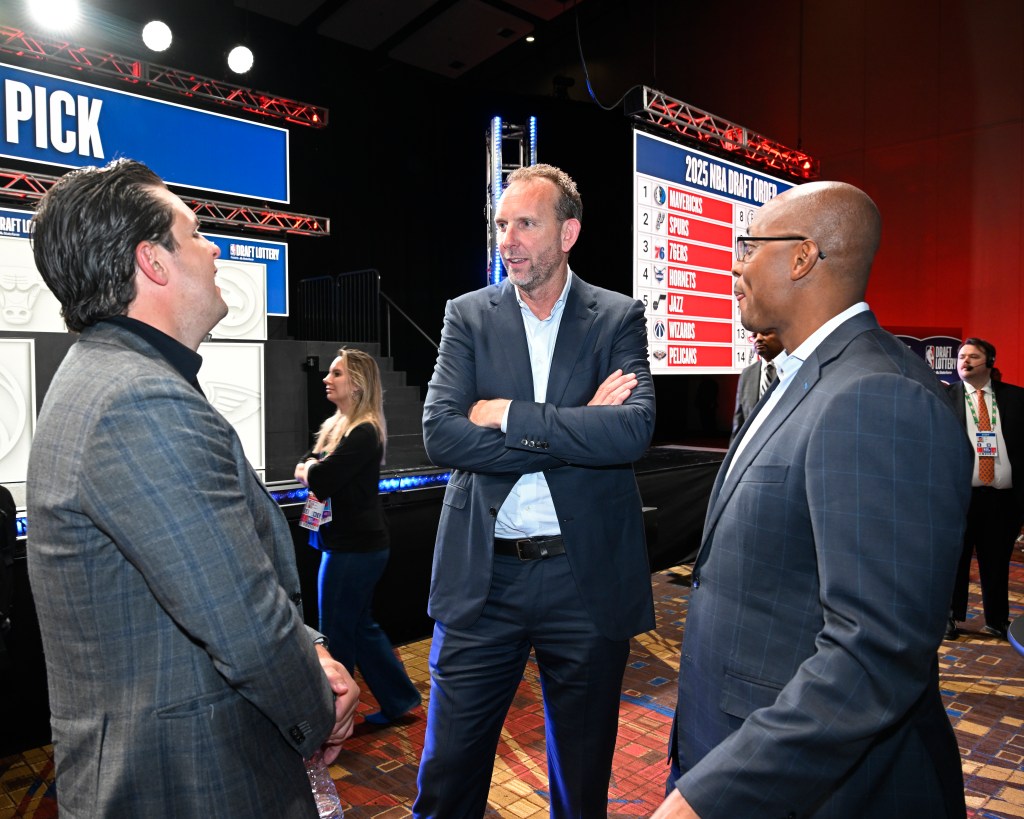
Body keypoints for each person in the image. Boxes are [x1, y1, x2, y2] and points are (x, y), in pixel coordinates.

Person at [26, 159, 359, 818]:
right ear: (152, 262)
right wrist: (317, 710)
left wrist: (309, 648)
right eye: (197, 232)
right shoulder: (138, 397)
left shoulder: (113, 377)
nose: (213, 249)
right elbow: (240, 615)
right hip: (190, 781)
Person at [653, 181, 972, 818]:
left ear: (802, 258)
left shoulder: (877, 395)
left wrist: (707, 797)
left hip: (799, 783)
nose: (735, 265)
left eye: (748, 247)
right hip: (737, 741)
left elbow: (874, 652)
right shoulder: (804, 378)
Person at [414, 163, 656, 818]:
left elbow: (630, 433)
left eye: (526, 223)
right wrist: (579, 427)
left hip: (586, 581)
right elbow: (441, 436)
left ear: (568, 231)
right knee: (448, 773)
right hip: (482, 578)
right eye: (501, 224)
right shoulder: (468, 315)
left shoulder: (616, 317)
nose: (508, 240)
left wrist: (513, 415)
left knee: (582, 781)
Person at [294, 347, 421, 724]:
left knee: (336, 632)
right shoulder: (342, 425)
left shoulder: (364, 431)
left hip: (356, 548)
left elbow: (321, 475)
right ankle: (399, 700)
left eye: (336, 374)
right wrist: (312, 467)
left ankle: (336, 718)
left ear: (358, 383)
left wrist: (311, 469)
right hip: (350, 544)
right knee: (359, 627)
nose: (326, 379)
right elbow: (312, 463)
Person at [947, 337, 1024, 640]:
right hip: (960, 498)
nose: (964, 361)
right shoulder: (944, 397)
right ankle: (950, 617)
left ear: (990, 363)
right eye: (961, 356)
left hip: (1002, 498)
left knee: (997, 560)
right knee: (955, 560)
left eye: (973, 357)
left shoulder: (1017, 399)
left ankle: (996, 619)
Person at [730, 330, 783, 442]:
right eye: (754, 335)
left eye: (765, 333)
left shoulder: (795, 368)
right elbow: (739, 420)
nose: (758, 339)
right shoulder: (747, 373)